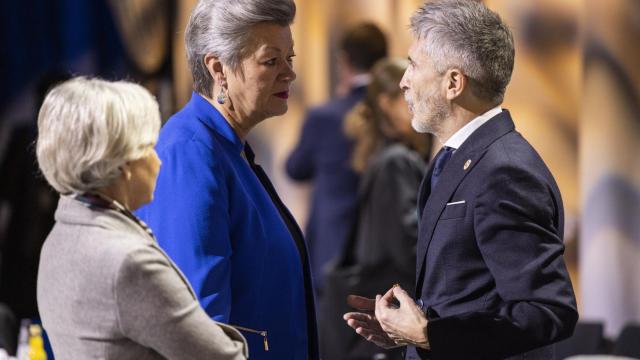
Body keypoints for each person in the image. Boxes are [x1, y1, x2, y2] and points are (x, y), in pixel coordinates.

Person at [343, 1, 578, 359]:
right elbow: (469, 291)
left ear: (453, 82)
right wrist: (407, 330)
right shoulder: (457, 158)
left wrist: (430, 333)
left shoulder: (504, 171)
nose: (404, 81)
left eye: (413, 65)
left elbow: (546, 311)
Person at [136, 1, 318, 359]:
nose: (289, 73)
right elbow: (199, 324)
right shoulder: (191, 153)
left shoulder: (226, 148)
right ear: (218, 68)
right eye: (271, 61)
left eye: (290, 59)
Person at [35, 77, 248, 359]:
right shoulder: (129, 263)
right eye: (149, 147)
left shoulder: (60, 236)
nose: (158, 160)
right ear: (124, 165)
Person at [320, 58, 429, 360]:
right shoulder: (396, 161)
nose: (415, 105)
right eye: (407, 97)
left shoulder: (385, 158)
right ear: (387, 103)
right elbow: (409, 245)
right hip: (389, 313)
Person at [286, 23, 388, 295]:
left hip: (332, 252)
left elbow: (295, 168)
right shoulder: (397, 118)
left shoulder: (326, 116)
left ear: (344, 61)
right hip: (386, 255)